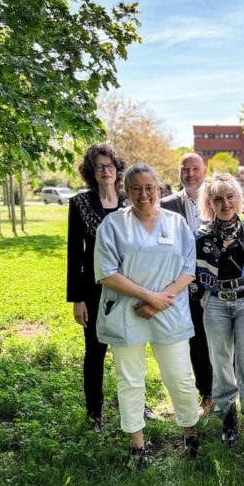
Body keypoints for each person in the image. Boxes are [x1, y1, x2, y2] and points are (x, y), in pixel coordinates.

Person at [94, 164, 200, 468]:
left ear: (159, 189)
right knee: (130, 381)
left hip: (169, 309)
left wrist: (158, 301)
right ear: (126, 191)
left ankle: (190, 434)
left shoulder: (176, 223)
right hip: (127, 312)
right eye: (136, 188)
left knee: (180, 377)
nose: (144, 195)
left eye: (149, 188)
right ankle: (137, 447)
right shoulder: (113, 225)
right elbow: (106, 273)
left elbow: (188, 270)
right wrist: (147, 296)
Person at [194, 174, 244, 462]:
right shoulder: (201, 235)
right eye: (218, 199)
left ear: (238, 198)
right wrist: (202, 296)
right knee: (220, 362)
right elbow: (189, 272)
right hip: (216, 303)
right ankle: (228, 417)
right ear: (210, 203)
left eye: (230, 197)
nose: (225, 203)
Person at [67, 144, 128, 431]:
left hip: (129, 287)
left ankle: (135, 405)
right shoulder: (79, 204)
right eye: (99, 166)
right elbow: (74, 254)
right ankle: (95, 414)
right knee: (95, 352)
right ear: (92, 172)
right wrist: (77, 298)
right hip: (93, 290)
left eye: (110, 165)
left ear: (118, 169)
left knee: (130, 350)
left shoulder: (130, 201)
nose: (106, 171)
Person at [161, 153, 214, 415]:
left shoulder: (217, 197)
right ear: (179, 172)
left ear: (205, 171)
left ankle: (227, 391)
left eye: (195, 169)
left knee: (223, 340)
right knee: (196, 341)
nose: (191, 174)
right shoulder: (166, 205)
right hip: (183, 283)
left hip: (216, 282)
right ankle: (206, 393)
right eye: (185, 169)